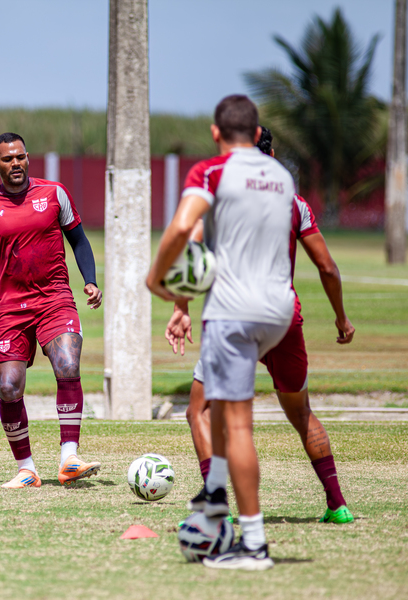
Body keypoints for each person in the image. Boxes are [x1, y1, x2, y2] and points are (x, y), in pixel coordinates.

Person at [166, 127, 356, 526]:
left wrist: (181, 307)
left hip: (234, 318)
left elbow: (192, 251)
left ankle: (216, 504)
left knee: (199, 411)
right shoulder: (294, 201)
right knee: (301, 413)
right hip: (283, 319)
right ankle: (337, 504)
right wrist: (341, 317)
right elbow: (327, 267)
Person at [147, 96, 296, 570]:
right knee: (216, 409)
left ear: (216, 133)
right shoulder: (281, 176)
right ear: (256, 135)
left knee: (234, 424)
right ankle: (213, 495)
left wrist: (159, 280)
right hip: (279, 310)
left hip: (233, 311)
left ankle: (252, 545)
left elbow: (182, 229)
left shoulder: (212, 172)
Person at [0, 132, 103, 489]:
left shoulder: (55, 194)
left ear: (28, 158)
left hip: (54, 299)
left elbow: (79, 240)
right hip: (10, 308)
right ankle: (26, 469)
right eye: (8, 159)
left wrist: (90, 279)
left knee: (68, 364)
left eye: (21, 157)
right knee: (9, 388)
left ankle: (69, 457)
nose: (16, 164)